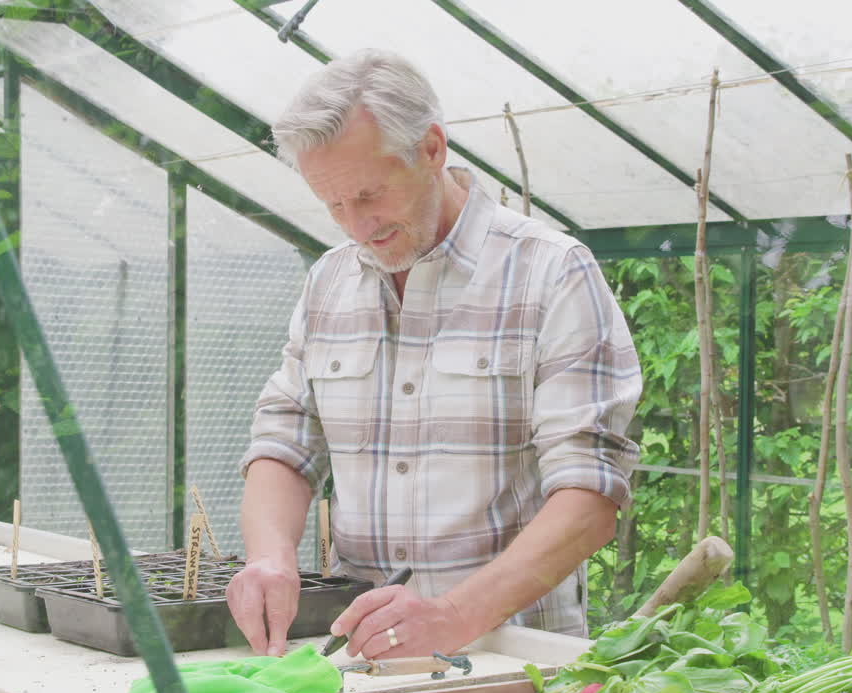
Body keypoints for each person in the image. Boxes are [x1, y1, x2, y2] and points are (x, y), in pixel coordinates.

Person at [227, 48, 642, 660]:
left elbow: (589, 499)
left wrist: (452, 616)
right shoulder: (329, 281)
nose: (356, 226)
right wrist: (270, 558)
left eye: (369, 194)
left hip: (507, 657)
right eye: (333, 204)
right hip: (360, 658)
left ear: (431, 149)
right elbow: (285, 442)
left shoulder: (550, 272)